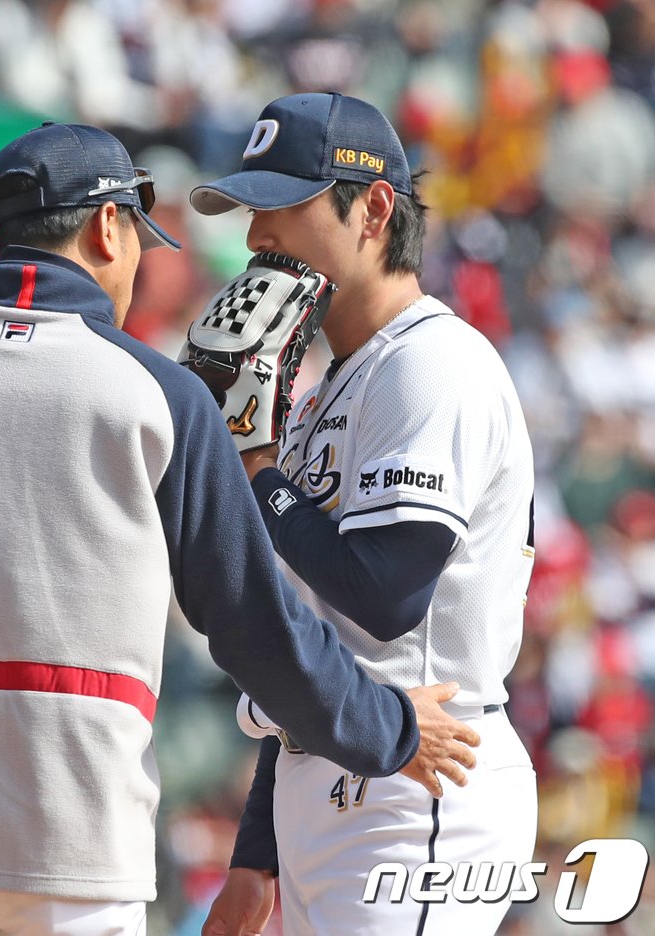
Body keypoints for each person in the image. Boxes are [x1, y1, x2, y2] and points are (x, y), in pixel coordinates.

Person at [0, 121, 481, 936]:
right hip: (74, 841)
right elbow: (255, 627)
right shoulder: (156, 391)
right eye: (137, 233)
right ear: (105, 228)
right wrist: (391, 729)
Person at [190, 93, 537, 936]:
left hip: (417, 790)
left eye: (281, 206)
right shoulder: (332, 387)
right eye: (250, 209)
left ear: (373, 207)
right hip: (338, 778)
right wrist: (256, 856)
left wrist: (255, 469)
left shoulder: (432, 363)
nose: (254, 237)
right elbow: (315, 643)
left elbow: (383, 595)